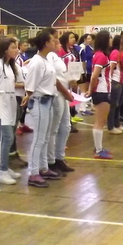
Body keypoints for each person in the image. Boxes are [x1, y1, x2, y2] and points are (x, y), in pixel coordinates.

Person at [22, 29, 59, 188]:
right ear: (46, 43)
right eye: (53, 40)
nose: (56, 42)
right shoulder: (36, 62)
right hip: (39, 101)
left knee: (44, 137)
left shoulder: (45, 60)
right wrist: (28, 96)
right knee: (38, 138)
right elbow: (30, 84)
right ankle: (33, 173)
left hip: (48, 100)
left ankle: (43, 168)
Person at [0, 36, 22, 186]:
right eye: (13, 47)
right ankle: (1, 170)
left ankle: (5, 167)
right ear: (5, 49)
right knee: (7, 137)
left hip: (10, 105)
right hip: (0, 107)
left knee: (9, 138)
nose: (16, 50)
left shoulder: (9, 66)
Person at [47, 31, 75, 176]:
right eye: (54, 40)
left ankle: (60, 157)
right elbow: (53, 78)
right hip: (57, 94)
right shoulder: (49, 57)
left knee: (66, 126)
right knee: (54, 128)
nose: (57, 43)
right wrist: (65, 92)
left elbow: (62, 75)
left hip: (64, 94)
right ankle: (51, 161)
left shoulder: (57, 57)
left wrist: (72, 81)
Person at [88, 30, 113, 159]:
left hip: (103, 90)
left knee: (101, 121)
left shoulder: (99, 55)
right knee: (100, 121)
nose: (111, 40)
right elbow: (94, 76)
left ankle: (99, 147)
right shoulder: (101, 56)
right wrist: (90, 90)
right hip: (101, 90)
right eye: (109, 38)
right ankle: (98, 150)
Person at [107, 34, 123, 134]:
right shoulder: (115, 52)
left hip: (120, 80)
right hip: (115, 81)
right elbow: (111, 67)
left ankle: (117, 123)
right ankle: (110, 126)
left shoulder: (120, 52)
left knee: (118, 104)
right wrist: (111, 80)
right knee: (113, 104)